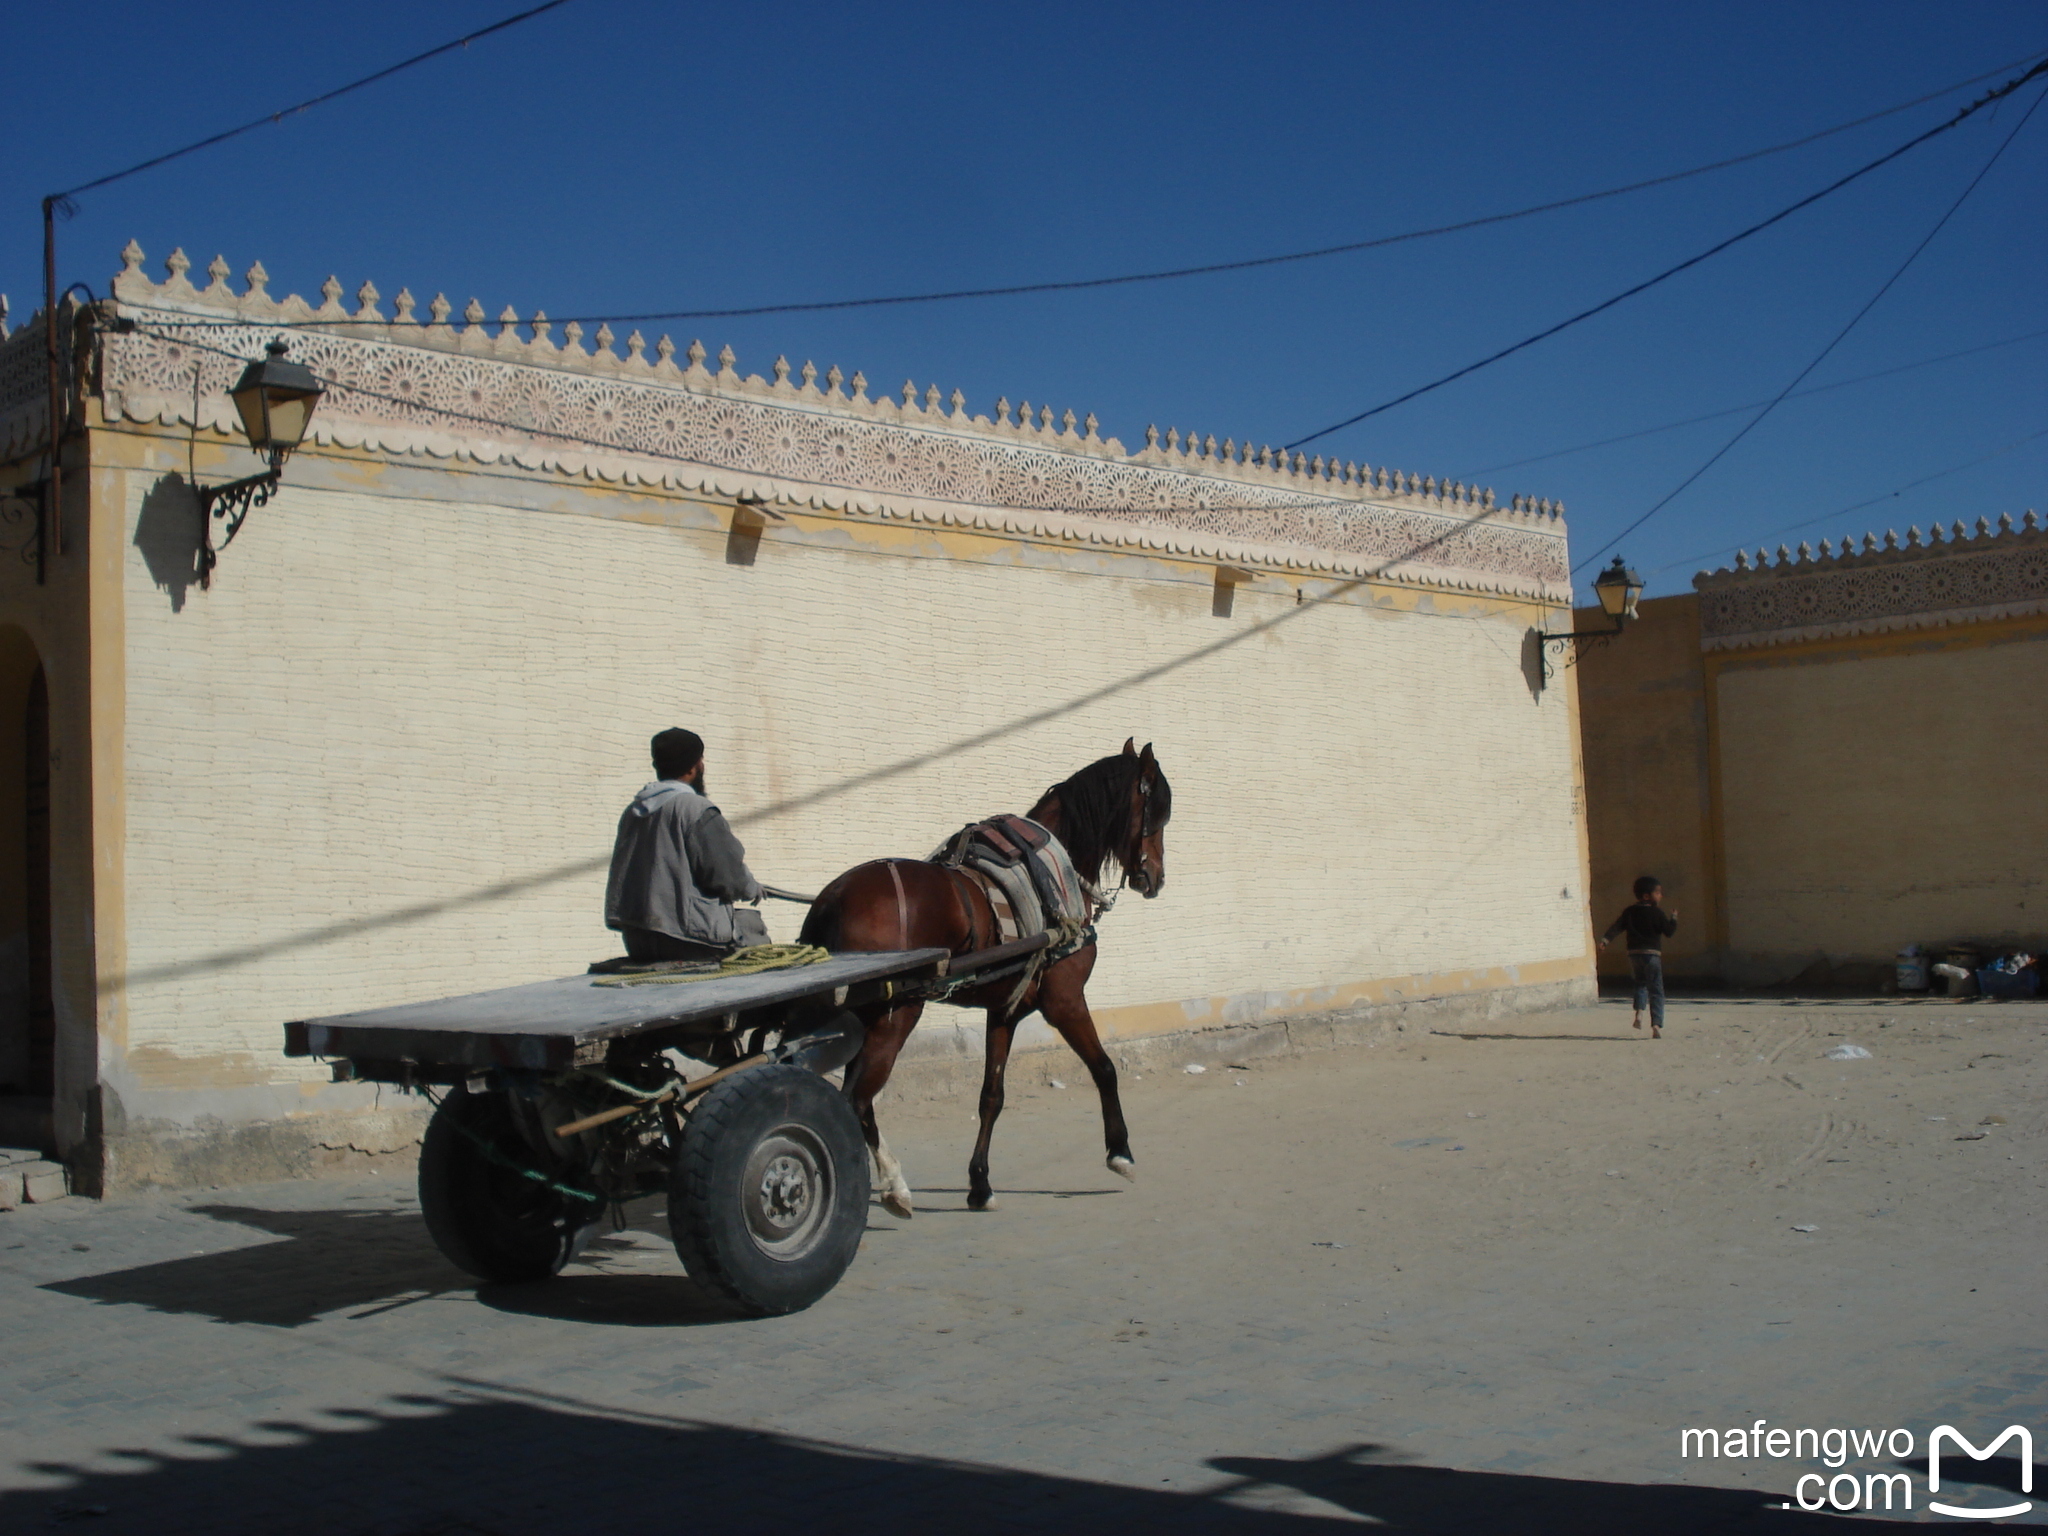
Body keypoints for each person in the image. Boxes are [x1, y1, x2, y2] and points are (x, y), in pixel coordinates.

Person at [605, 728, 768, 962]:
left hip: (637, 939)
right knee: (758, 939)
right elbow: (726, 874)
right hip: (689, 940)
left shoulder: (633, 812)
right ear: (694, 767)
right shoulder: (695, 809)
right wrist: (750, 887)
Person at [1597, 876, 1679, 1037]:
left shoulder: (1630, 912)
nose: (1660, 896)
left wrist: (1605, 940)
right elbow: (1669, 932)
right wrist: (1674, 918)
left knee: (1640, 984)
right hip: (1652, 955)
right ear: (1646, 896)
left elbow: (1617, 927)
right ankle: (1656, 1025)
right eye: (1658, 892)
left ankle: (1639, 1013)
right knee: (1656, 989)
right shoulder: (1656, 913)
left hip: (1634, 955)